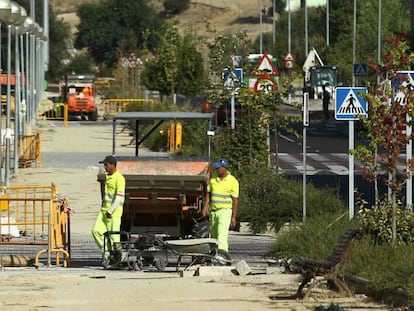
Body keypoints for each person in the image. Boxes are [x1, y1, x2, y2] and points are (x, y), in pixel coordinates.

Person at [202, 158, 239, 252]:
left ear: (224, 168)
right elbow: (208, 193)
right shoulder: (213, 179)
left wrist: (233, 217)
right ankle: (214, 255)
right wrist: (206, 206)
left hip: (225, 211)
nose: (217, 170)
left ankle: (223, 257)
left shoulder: (233, 181)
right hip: (214, 212)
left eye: (218, 168)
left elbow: (235, 200)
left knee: (221, 235)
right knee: (213, 236)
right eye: (216, 168)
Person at [92, 155, 125, 251]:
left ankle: (118, 257)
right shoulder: (108, 177)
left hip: (113, 213)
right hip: (104, 211)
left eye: (106, 165)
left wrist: (110, 210)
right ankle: (107, 252)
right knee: (96, 231)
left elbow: (119, 197)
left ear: (113, 165)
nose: (104, 167)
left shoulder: (119, 179)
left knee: (114, 238)